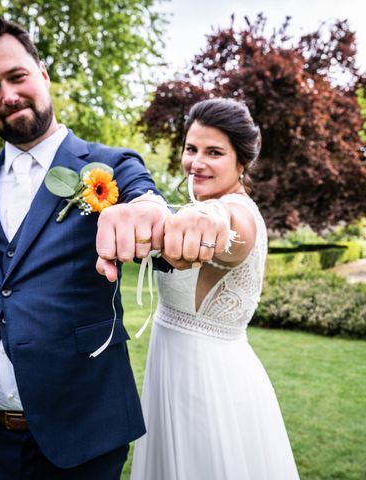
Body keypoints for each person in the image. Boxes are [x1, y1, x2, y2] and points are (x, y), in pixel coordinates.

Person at [0, 16, 201, 480]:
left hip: (82, 439)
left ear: (42, 74)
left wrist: (147, 210)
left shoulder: (111, 164)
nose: (7, 95)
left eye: (17, 76)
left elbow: (147, 200)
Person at [129, 98, 300, 479]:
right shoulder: (194, 204)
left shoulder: (236, 213)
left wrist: (210, 213)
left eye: (214, 152)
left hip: (209, 382)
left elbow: (229, 225)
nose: (197, 162)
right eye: (191, 149)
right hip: (170, 366)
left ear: (242, 162)